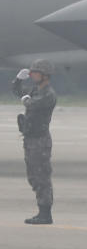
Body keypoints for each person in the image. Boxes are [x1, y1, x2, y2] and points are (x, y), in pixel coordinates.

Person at [11, 59, 57, 225]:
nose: (32, 75)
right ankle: (42, 212)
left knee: (41, 176)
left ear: (45, 75)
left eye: (35, 72)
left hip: (40, 140)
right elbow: (18, 92)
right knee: (34, 177)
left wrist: (25, 98)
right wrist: (18, 81)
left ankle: (45, 214)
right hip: (31, 139)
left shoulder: (48, 94)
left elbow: (33, 104)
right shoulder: (36, 90)